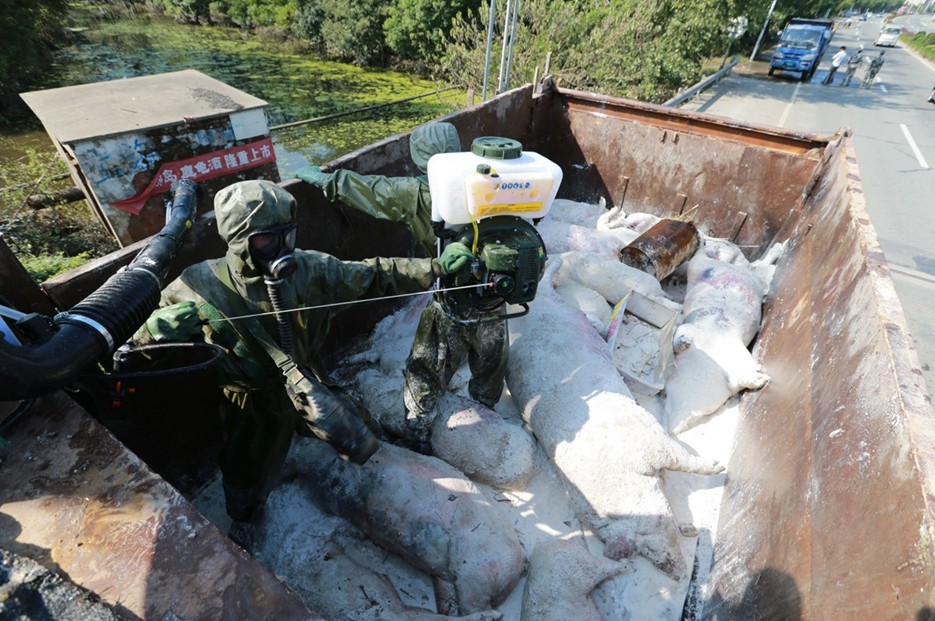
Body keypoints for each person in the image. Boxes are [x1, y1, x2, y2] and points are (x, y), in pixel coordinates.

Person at [131, 179, 473, 542]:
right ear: (238, 241)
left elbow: (375, 275)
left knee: (357, 429)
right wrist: (152, 333)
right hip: (252, 401)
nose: (282, 248)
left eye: (287, 234)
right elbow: (127, 357)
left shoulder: (308, 271)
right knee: (245, 468)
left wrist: (435, 267)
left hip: (308, 381)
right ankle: (244, 518)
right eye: (266, 239)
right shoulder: (195, 287)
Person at [295, 123, 509, 450]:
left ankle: (417, 430)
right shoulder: (490, 182)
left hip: (452, 304)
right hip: (495, 301)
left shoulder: (416, 194)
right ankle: (484, 417)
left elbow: (370, 191)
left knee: (424, 371)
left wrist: (327, 181)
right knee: (490, 367)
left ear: (419, 161)